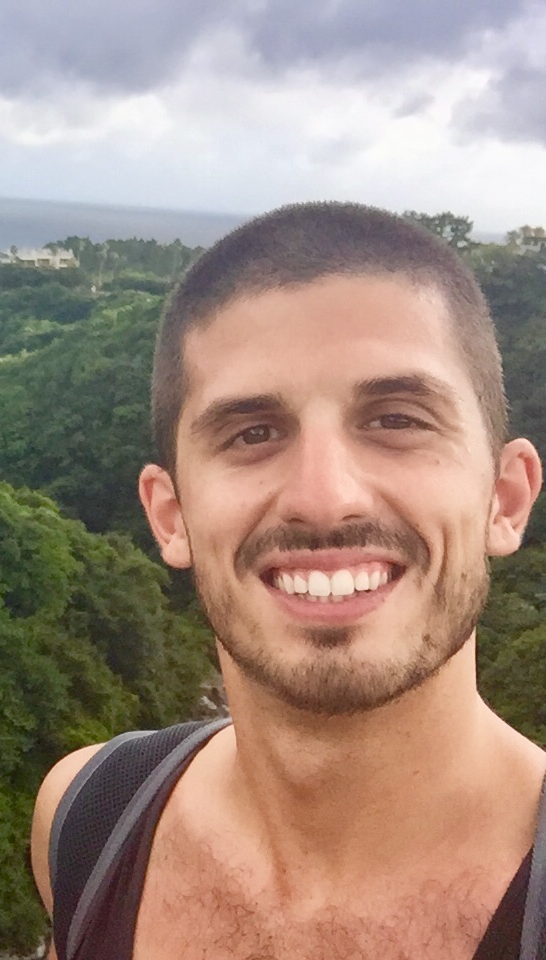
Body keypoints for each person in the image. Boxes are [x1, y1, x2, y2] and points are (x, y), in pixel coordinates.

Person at [30, 202, 546, 960]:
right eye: (253, 433)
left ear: (505, 498)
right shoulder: (91, 818)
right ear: (171, 516)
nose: (324, 498)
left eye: (396, 420)